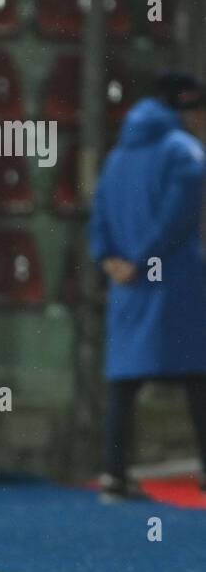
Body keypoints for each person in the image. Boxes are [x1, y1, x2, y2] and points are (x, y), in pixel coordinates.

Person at [90, 72, 206, 501]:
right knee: (197, 377)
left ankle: (115, 475)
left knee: (125, 382)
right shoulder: (185, 152)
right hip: (174, 281)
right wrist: (142, 259)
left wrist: (111, 260)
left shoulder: (118, 155)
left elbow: (99, 213)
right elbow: (176, 219)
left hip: (126, 282)